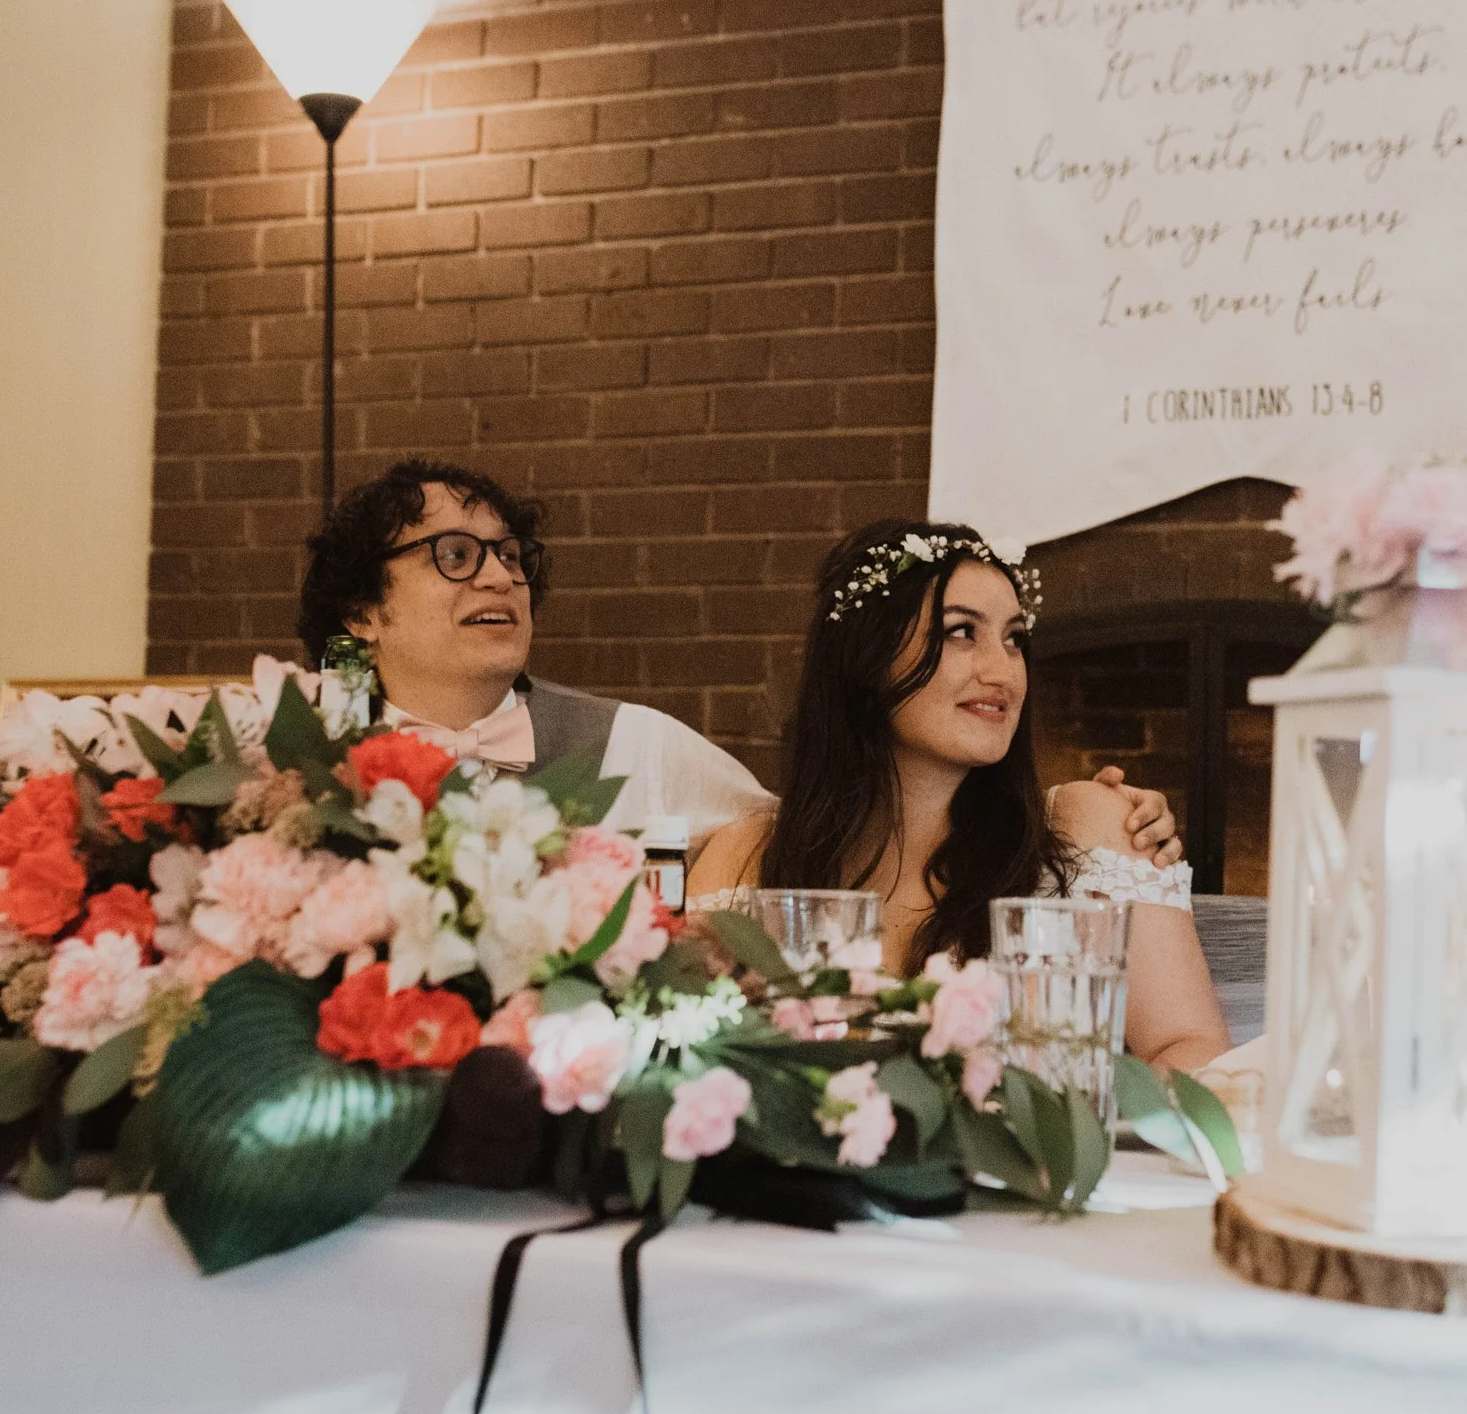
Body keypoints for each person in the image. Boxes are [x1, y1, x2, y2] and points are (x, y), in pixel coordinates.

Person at [295, 459, 1183, 861]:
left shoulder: (633, 748)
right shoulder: (275, 757)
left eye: (510, 555)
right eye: (456, 554)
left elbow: (833, 832)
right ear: (364, 609)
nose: (499, 573)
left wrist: (1067, 810)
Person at [688, 518, 1230, 1073]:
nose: (1003, 672)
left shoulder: (1089, 827)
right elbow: (680, 1058)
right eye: (961, 632)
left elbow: (1191, 1051)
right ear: (867, 659)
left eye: (1014, 639)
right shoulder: (748, 853)